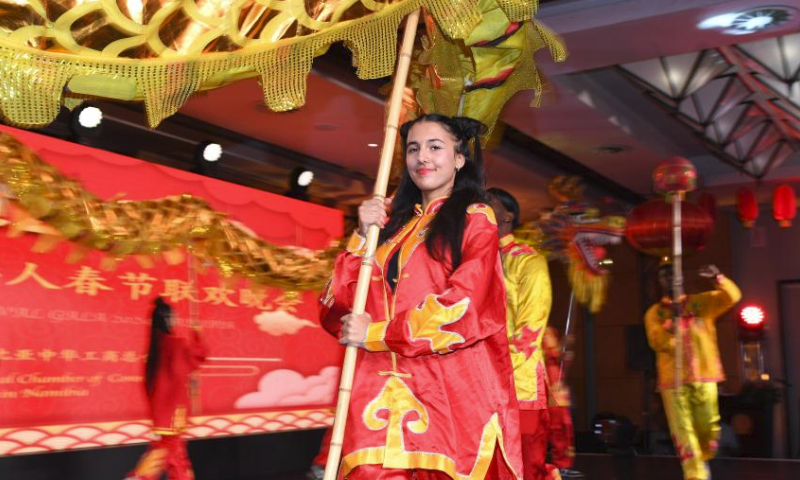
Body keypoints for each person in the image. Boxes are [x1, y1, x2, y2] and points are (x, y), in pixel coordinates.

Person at [319, 114, 523, 480]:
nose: (422, 157)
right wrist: (362, 236)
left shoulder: (476, 220)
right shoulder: (391, 228)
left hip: (447, 391)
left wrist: (378, 334)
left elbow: (465, 306)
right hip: (376, 392)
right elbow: (336, 307)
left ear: (460, 158)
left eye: (435, 147)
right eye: (413, 149)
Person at [644, 263, 741, 480]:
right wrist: (670, 326)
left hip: (704, 374)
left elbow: (732, 297)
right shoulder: (655, 313)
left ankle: (703, 457)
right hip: (673, 381)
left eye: (673, 274)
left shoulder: (701, 302)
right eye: (664, 276)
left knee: (707, 427)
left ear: (681, 277)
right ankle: (695, 473)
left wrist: (719, 278)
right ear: (658, 283)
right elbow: (657, 343)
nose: (669, 279)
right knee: (683, 430)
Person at [487, 188, 558, 480]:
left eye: (486, 205)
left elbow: (530, 332)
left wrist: (494, 371)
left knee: (527, 463)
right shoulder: (470, 264)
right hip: (479, 385)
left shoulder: (528, 262)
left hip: (519, 383)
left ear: (507, 216)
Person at [125, 298, 207, 480]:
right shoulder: (175, 344)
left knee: (165, 456)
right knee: (175, 459)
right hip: (173, 416)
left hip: (162, 417)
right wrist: (197, 334)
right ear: (169, 319)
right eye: (174, 317)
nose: (176, 320)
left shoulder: (154, 349)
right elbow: (199, 356)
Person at [542, 327, 582, 479]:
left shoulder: (549, 329)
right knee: (557, 426)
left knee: (565, 425)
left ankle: (565, 464)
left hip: (557, 382)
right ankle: (559, 464)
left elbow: (560, 358)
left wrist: (566, 352)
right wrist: (561, 347)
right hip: (548, 382)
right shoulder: (539, 328)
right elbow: (548, 352)